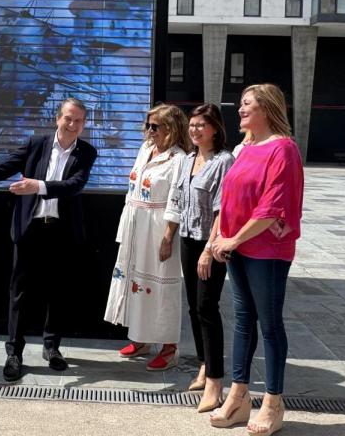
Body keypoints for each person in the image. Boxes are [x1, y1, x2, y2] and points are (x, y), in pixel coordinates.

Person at [0, 98, 98, 382]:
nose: (73, 125)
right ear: (57, 118)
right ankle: (14, 353)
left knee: (57, 292)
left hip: (62, 230)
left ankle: (52, 347)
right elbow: (3, 167)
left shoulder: (86, 152)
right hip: (31, 228)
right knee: (20, 293)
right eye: (69, 119)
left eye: (79, 121)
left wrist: (37, 186)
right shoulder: (36, 144)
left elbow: (75, 185)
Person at [207, 84, 304, 436]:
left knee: (270, 324)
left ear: (266, 109)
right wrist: (219, 237)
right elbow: (230, 198)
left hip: (268, 251)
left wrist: (232, 238)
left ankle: (274, 402)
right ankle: (238, 395)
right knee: (243, 320)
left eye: (247, 104)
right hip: (238, 247)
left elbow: (271, 207)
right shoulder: (245, 147)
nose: (240, 110)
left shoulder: (283, 149)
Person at [105, 103, 190, 371]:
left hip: (158, 226)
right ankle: (140, 337)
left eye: (155, 126)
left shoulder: (178, 159)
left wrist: (167, 236)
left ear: (172, 128)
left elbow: (178, 199)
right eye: (147, 125)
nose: (149, 131)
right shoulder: (145, 150)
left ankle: (168, 346)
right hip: (135, 223)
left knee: (161, 286)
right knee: (133, 279)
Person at [164, 104, 234, 412]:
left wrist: (209, 249)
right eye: (191, 125)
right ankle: (205, 365)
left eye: (201, 126)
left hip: (210, 243)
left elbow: (224, 209)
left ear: (215, 129)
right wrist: (169, 235)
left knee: (207, 307)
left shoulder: (224, 161)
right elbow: (178, 199)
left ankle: (216, 380)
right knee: (193, 306)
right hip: (187, 239)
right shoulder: (188, 159)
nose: (194, 130)